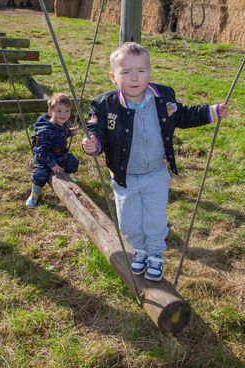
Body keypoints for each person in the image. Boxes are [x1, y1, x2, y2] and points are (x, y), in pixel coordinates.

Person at [82, 42, 228, 281]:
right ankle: (139, 250)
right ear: (113, 77)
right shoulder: (104, 104)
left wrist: (211, 111)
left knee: (155, 219)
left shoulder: (162, 97)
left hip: (155, 174)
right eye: (126, 71)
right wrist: (92, 144)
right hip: (124, 176)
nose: (134, 77)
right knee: (129, 223)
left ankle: (156, 255)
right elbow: (95, 129)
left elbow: (183, 115)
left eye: (140, 70)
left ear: (149, 73)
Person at [26, 93, 79, 208]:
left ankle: (66, 177)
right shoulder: (45, 130)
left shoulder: (63, 124)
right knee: (40, 174)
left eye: (67, 111)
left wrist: (70, 132)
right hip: (45, 158)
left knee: (73, 161)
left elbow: (62, 134)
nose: (63, 114)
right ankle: (34, 194)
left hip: (60, 155)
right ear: (50, 112)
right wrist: (51, 163)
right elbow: (41, 150)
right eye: (59, 111)